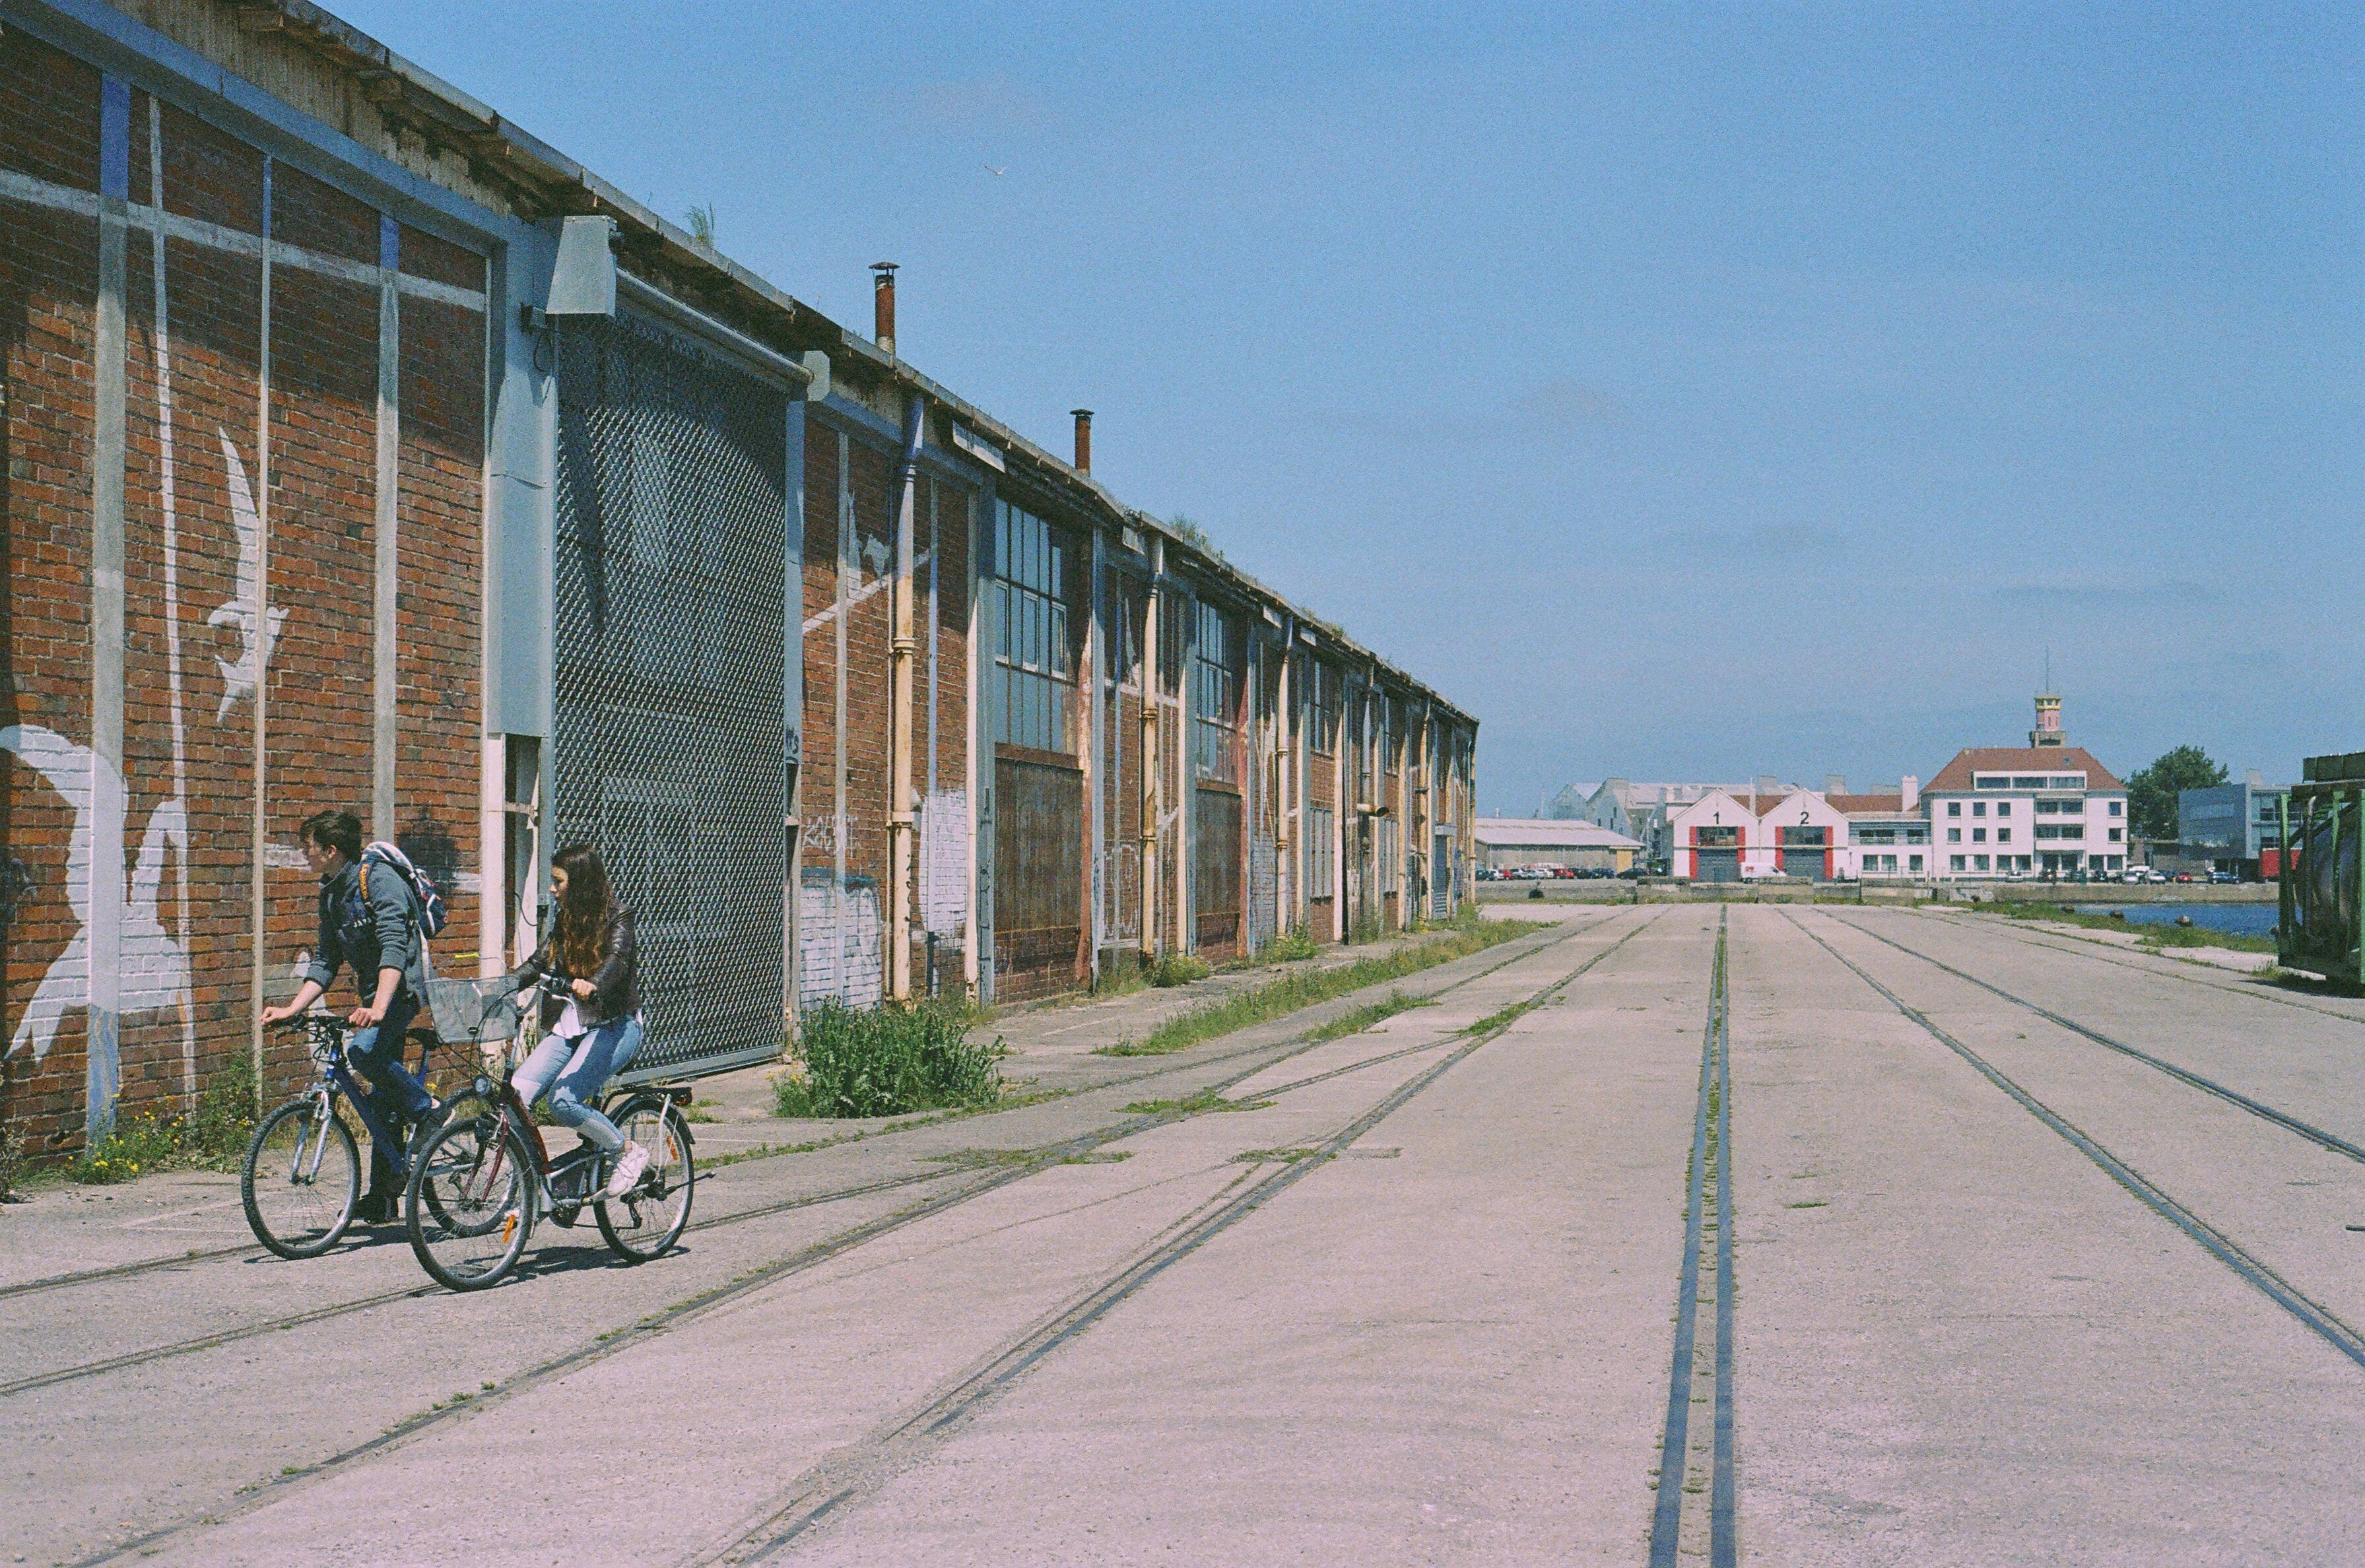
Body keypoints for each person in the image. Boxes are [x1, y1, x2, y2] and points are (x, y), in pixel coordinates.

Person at [261, 809, 434, 1224]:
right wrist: (290, 1008)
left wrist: (378, 1008)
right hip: (373, 995)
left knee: (363, 1054)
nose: (304, 854)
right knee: (380, 1098)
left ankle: (429, 1112)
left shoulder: (378, 880)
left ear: (330, 850)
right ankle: (383, 1195)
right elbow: (325, 961)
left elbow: (395, 947)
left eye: (308, 847)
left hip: (400, 990)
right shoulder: (332, 893)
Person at [506, 843, 649, 1199]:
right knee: (516, 1097)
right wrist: (502, 984)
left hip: (616, 1025)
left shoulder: (620, 915)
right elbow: (541, 961)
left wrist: (595, 983)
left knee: (563, 1101)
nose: (552, 889)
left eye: (559, 882)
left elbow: (617, 959)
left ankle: (626, 1153)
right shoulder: (566, 918)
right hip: (574, 1023)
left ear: (582, 883)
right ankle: (532, 1183)